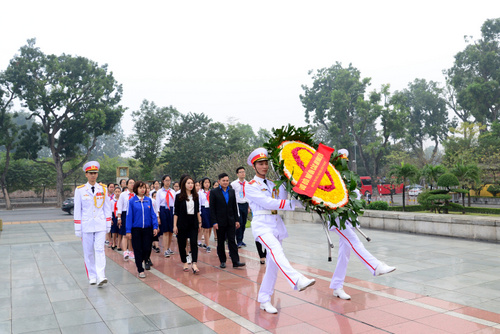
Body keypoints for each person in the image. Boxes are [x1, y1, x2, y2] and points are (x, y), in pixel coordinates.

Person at [245, 148, 316, 314]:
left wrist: (304, 198)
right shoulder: (250, 186)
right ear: (254, 166)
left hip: (276, 224)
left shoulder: (273, 184)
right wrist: (296, 205)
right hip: (262, 225)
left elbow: (288, 195)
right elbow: (269, 203)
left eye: (266, 163)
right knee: (276, 251)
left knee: (273, 265)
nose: (264, 166)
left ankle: (264, 298)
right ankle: (297, 279)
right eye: (260, 164)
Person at [330, 150, 396, 300]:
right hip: (336, 220)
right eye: (341, 162)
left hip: (349, 219)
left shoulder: (350, 179)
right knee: (355, 242)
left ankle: (337, 286)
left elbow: (357, 198)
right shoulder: (330, 179)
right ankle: (376, 266)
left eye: (345, 162)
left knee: (344, 255)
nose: (343, 165)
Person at [73, 161, 111, 287]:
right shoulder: (80, 190)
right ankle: (92, 276)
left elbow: (107, 208)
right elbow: (77, 210)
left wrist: (108, 223)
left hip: (100, 224)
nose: (93, 175)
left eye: (95, 173)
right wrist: (78, 228)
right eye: (91, 173)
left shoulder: (103, 189)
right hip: (86, 225)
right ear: (86, 175)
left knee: (100, 250)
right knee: (88, 252)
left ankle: (101, 276)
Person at [210, 173, 245, 269]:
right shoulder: (214, 192)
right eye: (223, 180)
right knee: (220, 241)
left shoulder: (232, 191)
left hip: (231, 220)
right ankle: (222, 261)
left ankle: (235, 261)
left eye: (227, 180)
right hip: (219, 221)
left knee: (232, 241)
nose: (225, 182)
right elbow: (212, 208)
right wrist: (214, 222)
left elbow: (234, 206)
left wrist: (236, 220)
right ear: (219, 181)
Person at [126, 181, 159, 278]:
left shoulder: (148, 200)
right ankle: (140, 269)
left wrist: (155, 226)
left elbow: (153, 214)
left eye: (144, 187)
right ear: (136, 189)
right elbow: (129, 217)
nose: (142, 189)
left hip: (147, 229)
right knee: (137, 249)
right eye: (140, 187)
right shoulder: (132, 201)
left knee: (147, 248)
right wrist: (128, 230)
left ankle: (145, 259)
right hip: (136, 229)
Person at [173, 176, 202, 274]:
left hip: (193, 222)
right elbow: (176, 212)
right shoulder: (179, 197)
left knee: (194, 243)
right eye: (188, 183)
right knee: (182, 243)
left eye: (192, 183)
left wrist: (199, 222)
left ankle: (194, 263)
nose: (191, 185)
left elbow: (197, 211)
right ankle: (184, 262)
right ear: (184, 184)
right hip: (182, 222)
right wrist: (175, 225)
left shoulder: (196, 196)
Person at [156, 175, 175, 257]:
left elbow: (174, 203)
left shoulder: (173, 191)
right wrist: (158, 216)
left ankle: (169, 248)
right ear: (163, 181)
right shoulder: (159, 192)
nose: (168, 182)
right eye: (166, 180)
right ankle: (165, 249)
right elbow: (157, 205)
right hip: (163, 210)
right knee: (165, 231)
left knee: (171, 231)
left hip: (171, 211)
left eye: (169, 180)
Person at [231, 167, 250, 248]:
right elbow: (232, 196)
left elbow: (249, 195)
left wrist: (249, 206)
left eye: (243, 172)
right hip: (237, 204)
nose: (242, 173)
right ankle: (237, 240)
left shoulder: (248, 183)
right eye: (240, 172)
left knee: (244, 223)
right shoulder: (233, 184)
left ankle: (241, 240)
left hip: (245, 204)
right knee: (239, 222)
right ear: (237, 174)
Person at [117, 179, 135, 260]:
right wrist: (119, 217)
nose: (132, 184)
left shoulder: (136, 194)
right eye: (130, 183)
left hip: (134, 215)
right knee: (125, 233)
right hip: (125, 214)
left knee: (132, 234)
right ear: (127, 185)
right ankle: (125, 252)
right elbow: (119, 207)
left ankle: (131, 251)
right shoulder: (123, 195)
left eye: (133, 183)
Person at [198, 177, 213, 253]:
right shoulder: (200, 192)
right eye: (205, 182)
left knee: (210, 228)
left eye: (208, 182)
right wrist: (200, 213)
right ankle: (208, 245)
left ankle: (206, 242)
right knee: (206, 228)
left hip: (211, 210)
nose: (207, 184)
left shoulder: (212, 192)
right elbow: (199, 203)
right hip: (204, 210)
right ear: (203, 184)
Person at [109, 186, 121, 250]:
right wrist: (110, 219)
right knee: (114, 231)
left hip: (120, 216)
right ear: (114, 192)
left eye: (119, 192)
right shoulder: (111, 201)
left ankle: (119, 245)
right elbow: (110, 210)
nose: (117, 193)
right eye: (116, 192)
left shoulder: (121, 201)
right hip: (114, 216)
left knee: (119, 231)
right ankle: (114, 243)